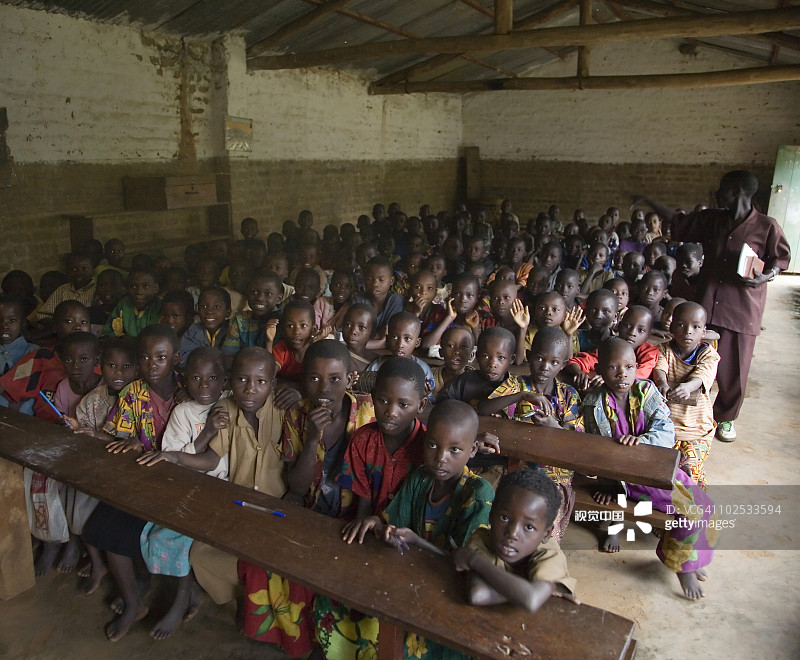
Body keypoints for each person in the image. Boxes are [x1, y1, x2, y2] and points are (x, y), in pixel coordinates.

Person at [638, 170, 791, 441]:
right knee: (697, 357)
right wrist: (649, 201)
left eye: (723, 189)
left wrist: (766, 275)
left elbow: (780, 259)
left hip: (742, 307)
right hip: (708, 304)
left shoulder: (767, 226)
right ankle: (689, 409)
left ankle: (725, 418)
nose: (718, 194)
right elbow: (679, 221)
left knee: (735, 368)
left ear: (738, 192)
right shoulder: (714, 220)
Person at [344, 400, 494, 660]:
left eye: (454, 450)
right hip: (410, 578)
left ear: (472, 451)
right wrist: (381, 525)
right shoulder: (420, 478)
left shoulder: (478, 495)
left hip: (449, 591)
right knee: (340, 602)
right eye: (433, 445)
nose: (440, 458)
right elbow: (396, 522)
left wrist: (415, 541)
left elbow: (463, 567)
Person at [583, 338, 716, 599]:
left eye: (629, 366)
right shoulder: (594, 403)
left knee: (705, 505)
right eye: (613, 367)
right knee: (692, 508)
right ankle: (683, 567)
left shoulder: (647, 391)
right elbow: (597, 450)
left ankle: (689, 557)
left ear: (637, 367)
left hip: (655, 471)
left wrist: (640, 441)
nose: (623, 374)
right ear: (599, 370)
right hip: (624, 480)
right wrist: (606, 484)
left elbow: (666, 432)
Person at [81, 325, 183, 641]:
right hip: (142, 478)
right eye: (145, 358)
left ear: (175, 359)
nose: (153, 364)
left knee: (118, 529)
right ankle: (134, 600)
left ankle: (139, 591)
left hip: (182, 483)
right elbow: (122, 437)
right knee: (99, 526)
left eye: (161, 357)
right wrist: (132, 443)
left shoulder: (190, 391)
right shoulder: (132, 393)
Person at [135, 347, 229, 640]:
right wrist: (207, 433)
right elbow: (172, 458)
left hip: (225, 491)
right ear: (184, 380)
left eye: (212, 378)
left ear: (224, 380)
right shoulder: (183, 411)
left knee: (179, 535)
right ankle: (183, 591)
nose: (204, 386)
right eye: (196, 379)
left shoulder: (233, 403)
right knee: (159, 530)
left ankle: (182, 598)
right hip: (188, 486)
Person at [63, 337, 139, 594]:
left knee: (94, 511)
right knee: (74, 497)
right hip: (100, 470)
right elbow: (88, 436)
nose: (118, 373)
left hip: (130, 474)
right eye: (110, 365)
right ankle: (97, 562)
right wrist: (80, 430)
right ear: (100, 367)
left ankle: (103, 563)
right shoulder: (93, 399)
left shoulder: (140, 398)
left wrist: (96, 436)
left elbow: (135, 443)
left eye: (126, 366)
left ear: (137, 368)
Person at [454, 469, 577, 611]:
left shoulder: (550, 552)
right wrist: (530, 588)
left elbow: (531, 599)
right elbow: (478, 595)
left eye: (529, 527)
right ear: (491, 514)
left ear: (546, 534)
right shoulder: (483, 539)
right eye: (504, 518)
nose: (512, 533)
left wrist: (472, 560)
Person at [651, 303, 720, 488]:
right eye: (681, 325)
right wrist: (662, 383)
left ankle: (695, 506)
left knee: (689, 469)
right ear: (672, 327)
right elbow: (660, 368)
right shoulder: (664, 350)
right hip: (668, 427)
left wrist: (689, 387)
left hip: (697, 429)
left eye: (696, 327)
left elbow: (703, 375)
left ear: (703, 331)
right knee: (660, 469)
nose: (688, 332)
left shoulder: (708, 354)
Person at [363, 312, 436, 397]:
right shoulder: (377, 366)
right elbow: (365, 393)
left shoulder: (423, 370)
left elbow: (430, 400)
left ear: (417, 342)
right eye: (394, 337)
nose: (400, 344)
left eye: (407, 339)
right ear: (387, 339)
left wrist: (423, 395)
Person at [222, 271, 282, 357]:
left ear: (279, 298)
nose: (260, 298)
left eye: (268, 294)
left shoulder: (283, 322)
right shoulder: (240, 320)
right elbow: (228, 356)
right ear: (247, 294)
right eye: (254, 292)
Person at [352, 256, 403, 347]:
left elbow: (389, 334)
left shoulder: (395, 300)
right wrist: (379, 341)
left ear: (391, 281)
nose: (375, 284)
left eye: (381, 280)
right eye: (370, 279)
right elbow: (353, 336)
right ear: (363, 279)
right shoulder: (358, 299)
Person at [34, 252, 96, 322]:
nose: (79, 272)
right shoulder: (63, 289)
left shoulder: (96, 290)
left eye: (84, 268)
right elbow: (43, 313)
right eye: (74, 269)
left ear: (93, 271)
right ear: (67, 272)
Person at [177, 286, 231, 368]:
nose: (209, 311)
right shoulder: (193, 331)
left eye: (216, 307)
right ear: (197, 309)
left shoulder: (233, 331)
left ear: (228, 312)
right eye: (204, 306)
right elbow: (184, 360)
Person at [267, 299, 317, 384]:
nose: (296, 331)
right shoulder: (281, 349)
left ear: (313, 330)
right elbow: (268, 373)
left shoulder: (316, 352)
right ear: (283, 329)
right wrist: (269, 341)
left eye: (303, 326)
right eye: (290, 326)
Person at [102, 268, 162, 337]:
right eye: (133, 286)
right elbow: (109, 331)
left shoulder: (160, 306)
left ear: (156, 288)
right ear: (127, 288)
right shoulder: (124, 303)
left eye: (146, 286)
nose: (139, 292)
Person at [431, 326, 474, 397]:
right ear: (441, 352)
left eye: (463, 347)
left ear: (471, 355)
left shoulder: (475, 382)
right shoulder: (428, 376)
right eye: (450, 346)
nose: (457, 352)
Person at [340, 302, 377, 373]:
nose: (353, 331)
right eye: (348, 325)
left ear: (372, 333)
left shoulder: (377, 361)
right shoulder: (336, 354)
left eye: (361, 327)